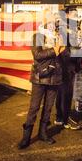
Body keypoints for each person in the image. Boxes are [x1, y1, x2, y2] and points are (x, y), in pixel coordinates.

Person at [18, 18, 68, 149]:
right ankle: (26, 137)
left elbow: (64, 57)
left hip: (55, 77)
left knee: (48, 107)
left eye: (55, 26)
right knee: (34, 107)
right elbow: (37, 55)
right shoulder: (38, 36)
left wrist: (64, 49)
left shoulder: (59, 38)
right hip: (39, 77)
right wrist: (55, 50)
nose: (54, 28)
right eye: (51, 25)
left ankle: (43, 133)